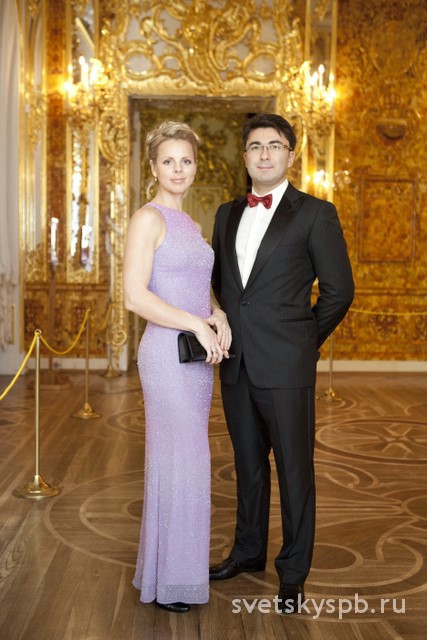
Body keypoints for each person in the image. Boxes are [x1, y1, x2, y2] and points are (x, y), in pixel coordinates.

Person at [210, 113, 354, 613]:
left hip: (287, 366)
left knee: (295, 473)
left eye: (274, 145)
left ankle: (292, 573)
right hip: (236, 364)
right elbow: (225, 286)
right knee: (248, 468)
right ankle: (247, 552)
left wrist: (302, 342)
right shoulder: (226, 213)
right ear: (245, 156)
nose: (264, 154)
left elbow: (339, 292)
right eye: (255, 146)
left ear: (291, 154)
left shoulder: (316, 213)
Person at [123, 121, 231, 613]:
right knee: (178, 458)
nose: (178, 169)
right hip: (167, 355)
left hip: (196, 356)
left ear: (195, 165)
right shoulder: (147, 219)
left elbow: (195, 287)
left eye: (186, 160)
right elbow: (134, 296)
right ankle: (170, 580)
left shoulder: (189, 223)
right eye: (168, 161)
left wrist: (217, 314)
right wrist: (194, 323)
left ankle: (174, 573)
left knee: (188, 460)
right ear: (153, 168)